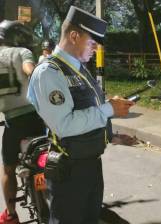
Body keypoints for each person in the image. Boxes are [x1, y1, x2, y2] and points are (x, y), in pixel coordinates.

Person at [27, 6, 134, 224]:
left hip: (91, 164)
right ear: (74, 36)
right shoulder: (49, 72)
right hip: (70, 170)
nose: (95, 49)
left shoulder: (79, 69)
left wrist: (111, 137)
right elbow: (64, 125)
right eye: (93, 43)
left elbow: (88, 111)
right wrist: (109, 109)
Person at [0, 20, 46, 224]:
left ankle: (10, 214)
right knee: (44, 158)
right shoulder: (22, 52)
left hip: (12, 122)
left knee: (8, 169)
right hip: (35, 118)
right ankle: (46, 192)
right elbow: (31, 70)